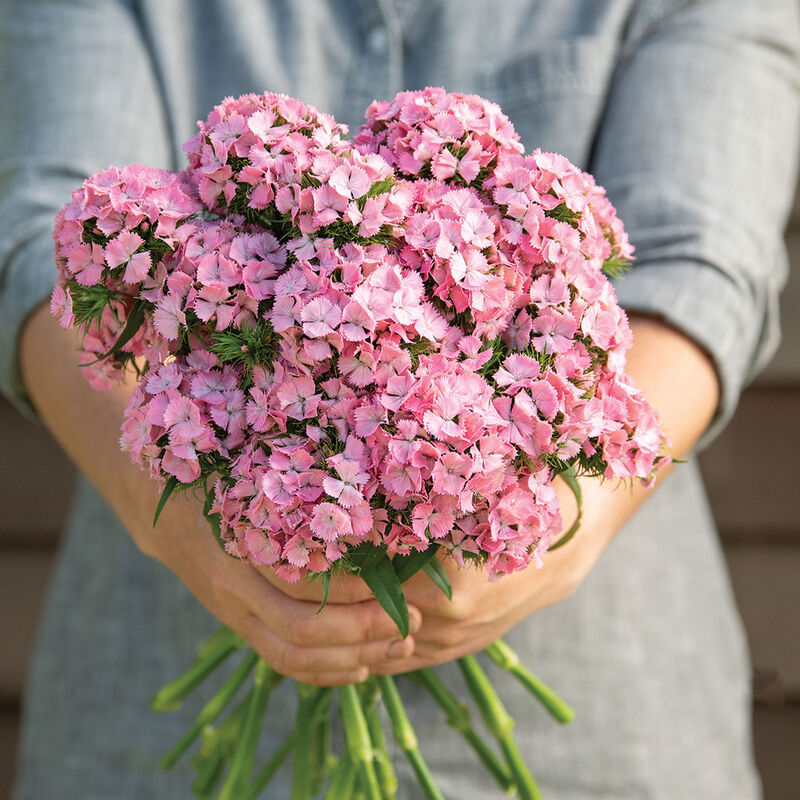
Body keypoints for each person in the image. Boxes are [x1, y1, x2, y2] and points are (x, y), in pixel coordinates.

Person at [2, 1, 799, 797]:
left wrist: (548, 512)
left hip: (601, 732)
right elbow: (41, 240)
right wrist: (179, 514)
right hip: (155, 702)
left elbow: (703, 260)